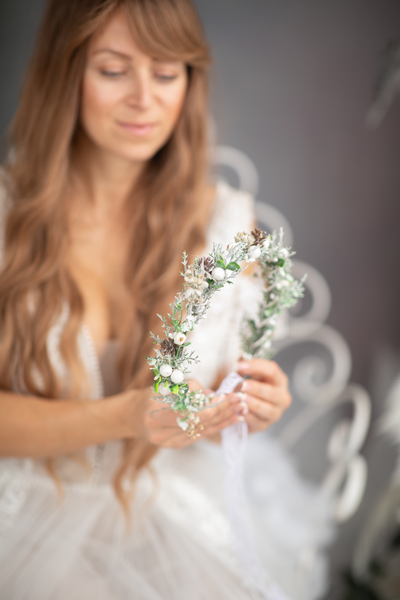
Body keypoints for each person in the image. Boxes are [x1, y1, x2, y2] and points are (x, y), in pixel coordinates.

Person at [0, 1, 297, 598]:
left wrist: (242, 410)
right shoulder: (9, 218)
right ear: (66, 73)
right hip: (20, 505)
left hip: (165, 501)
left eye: (166, 74)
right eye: (113, 71)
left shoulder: (227, 228)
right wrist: (125, 414)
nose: (145, 98)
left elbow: (198, 408)